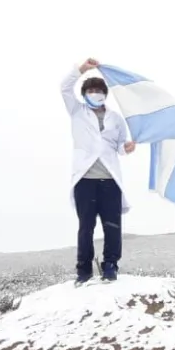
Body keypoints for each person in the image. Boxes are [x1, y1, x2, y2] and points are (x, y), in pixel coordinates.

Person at [60, 58, 136, 284]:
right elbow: (64, 87)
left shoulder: (116, 119)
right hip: (85, 179)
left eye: (99, 90)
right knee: (86, 227)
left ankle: (110, 265)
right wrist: (81, 70)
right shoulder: (77, 111)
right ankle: (83, 270)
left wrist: (127, 147)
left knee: (112, 226)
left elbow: (120, 145)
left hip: (110, 180)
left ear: (105, 94)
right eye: (91, 90)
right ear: (84, 94)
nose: (95, 93)